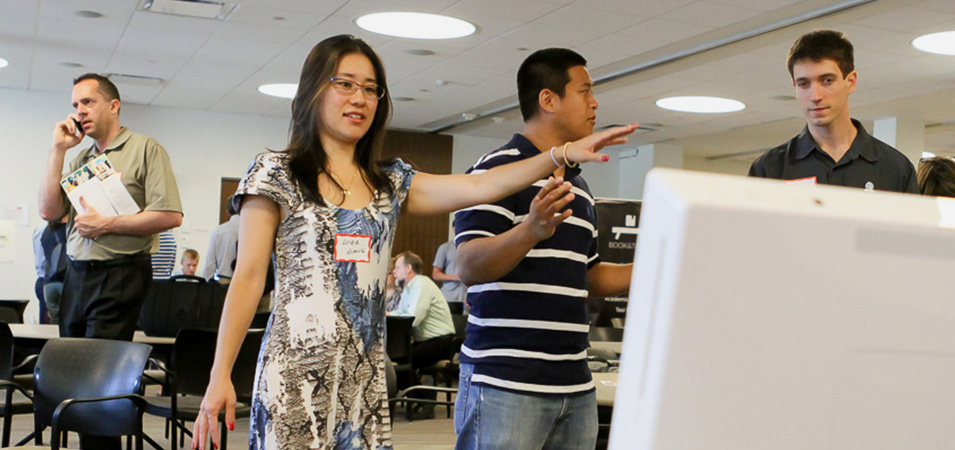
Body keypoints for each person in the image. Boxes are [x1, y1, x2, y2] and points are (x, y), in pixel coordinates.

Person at [191, 35, 635, 450]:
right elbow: (248, 278)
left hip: (364, 379)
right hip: (293, 375)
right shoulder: (276, 172)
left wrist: (559, 155)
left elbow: (481, 187)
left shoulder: (389, 182)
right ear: (312, 91)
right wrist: (220, 375)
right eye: (345, 84)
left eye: (371, 88)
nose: (359, 98)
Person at [452, 48, 634, 450]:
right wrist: (530, 230)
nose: (595, 102)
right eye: (584, 91)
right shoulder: (494, 171)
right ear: (548, 100)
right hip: (505, 383)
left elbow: (588, 276)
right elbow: (467, 265)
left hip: (574, 385)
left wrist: (660, 264)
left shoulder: (579, 187)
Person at [38, 73, 183, 450]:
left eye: (88, 102)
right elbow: (48, 210)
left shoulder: (145, 148)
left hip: (120, 273)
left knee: (97, 383)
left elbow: (170, 215)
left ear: (113, 105)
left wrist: (110, 223)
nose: (79, 111)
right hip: (77, 275)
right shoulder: (83, 157)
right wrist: (58, 151)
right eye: (75, 105)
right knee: (74, 377)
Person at [748, 30, 918, 193]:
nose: (815, 96)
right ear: (795, 87)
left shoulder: (895, 168)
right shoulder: (769, 169)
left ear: (850, 82)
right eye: (803, 84)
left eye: (827, 80)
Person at [390, 250, 456, 420]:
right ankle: (421, 398)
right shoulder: (409, 288)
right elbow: (402, 312)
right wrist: (389, 315)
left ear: (409, 268)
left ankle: (425, 401)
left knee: (403, 359)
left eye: (397, 267)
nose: (394, 271)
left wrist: (390, 316)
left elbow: (414, 318)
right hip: (428, 341)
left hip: (441, 341)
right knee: (398, 358)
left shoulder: (421, 284)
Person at [32, 217, 68, 324]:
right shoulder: (69, 229)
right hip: (63, 281)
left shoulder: (41, 229)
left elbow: (41, 262)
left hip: (46, 280)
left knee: (49, 327)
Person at [203, 201, 239, 284]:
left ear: (227, 211)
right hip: (248, 282)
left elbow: (210, 264)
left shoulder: (218, 231)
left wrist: (207, 284)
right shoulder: (254, 230)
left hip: (224, 281)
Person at [432, 226, 467, 312]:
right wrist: (456, 277)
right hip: (449, 297)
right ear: (454, 228)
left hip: (467, 298)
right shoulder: (445, 248)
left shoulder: (471, 248)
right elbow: (435, 275)